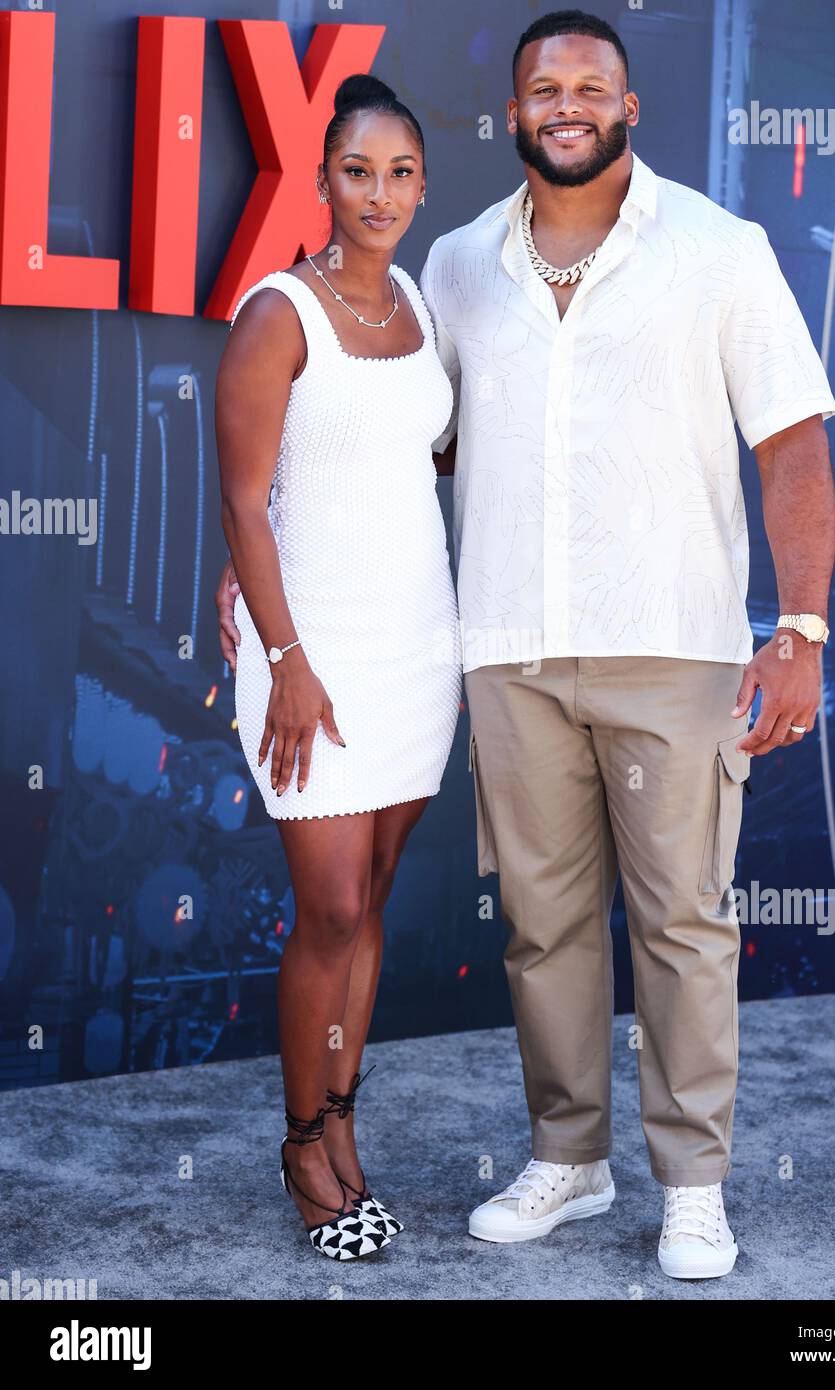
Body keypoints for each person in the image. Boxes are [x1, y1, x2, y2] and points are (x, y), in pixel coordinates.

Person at [415, 10, 835, 1278]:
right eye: (543, 87)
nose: (566, 104)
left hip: (674, 645)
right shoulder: (454, 266)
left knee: (683, 923)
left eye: (589, 85)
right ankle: (570, 1158)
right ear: (514, 110)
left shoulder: (719, 249)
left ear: (630, 105)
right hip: (511, 645)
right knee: (542, 924)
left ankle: (694, 1182)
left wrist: (801, 630)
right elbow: (408, 446)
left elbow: (795, 445)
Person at [215, 73, 462, 1261]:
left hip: (420, 647)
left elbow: (426, 458)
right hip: (310, 654)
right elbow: (245, 507)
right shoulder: (278, 312)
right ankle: (301, 1145)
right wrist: (287, 659)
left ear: (423, 181)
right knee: (331, 908)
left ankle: (344, 1117)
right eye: (357, 170)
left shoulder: (414, 298)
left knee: (376, 904)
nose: (379, 193)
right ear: (322, 179)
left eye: (401, 172)